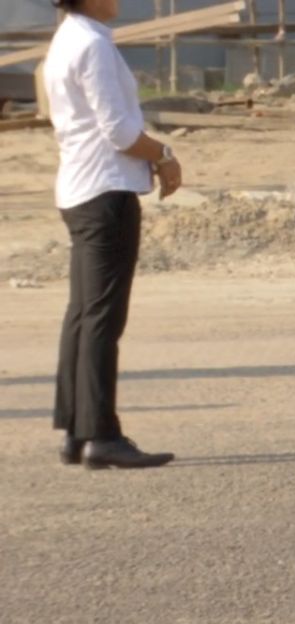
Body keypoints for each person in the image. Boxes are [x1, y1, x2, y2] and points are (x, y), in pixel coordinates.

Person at [44, 0, 181, 468]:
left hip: (80, 187)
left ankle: (75, 428)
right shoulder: (92, 44)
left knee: (82, 313)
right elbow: (120, 131)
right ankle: (101, 434)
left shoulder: (68, 37)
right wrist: (164, 154)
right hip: (105, 189)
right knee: (102, 317)